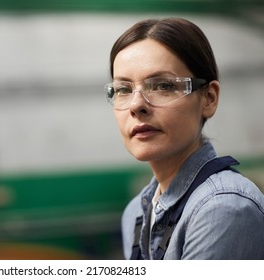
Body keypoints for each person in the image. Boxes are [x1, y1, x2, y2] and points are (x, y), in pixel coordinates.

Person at [104, 18, 264, 260]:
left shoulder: (222, 208)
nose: (136, 105)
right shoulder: (136, 213)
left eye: (163, 86)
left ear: (208, 98)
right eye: (123, 89)